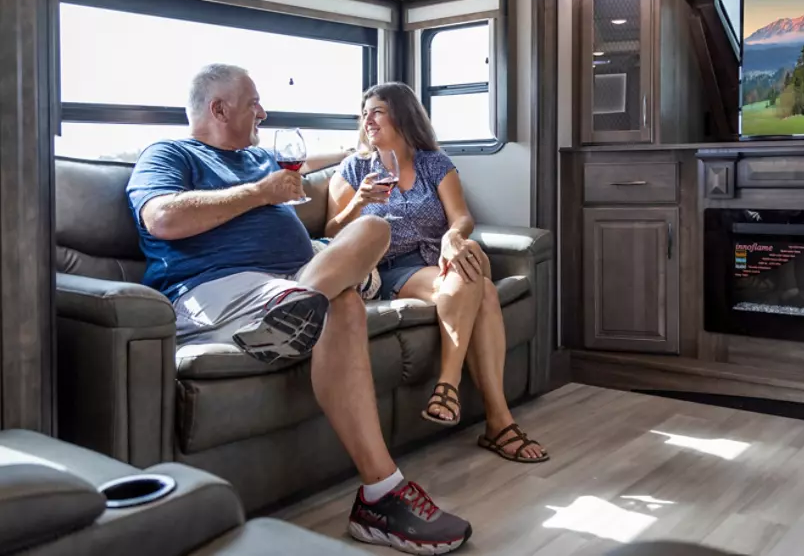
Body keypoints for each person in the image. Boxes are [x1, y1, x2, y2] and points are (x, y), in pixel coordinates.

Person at [125, 64, 471, 554]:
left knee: (374, 232)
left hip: (290, 282)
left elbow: (328, 160)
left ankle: (296, 309)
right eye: (254, 104)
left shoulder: (261, 158)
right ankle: (381, 494)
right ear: (218, 108)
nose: (263, 113)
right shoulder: (170, 154)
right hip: (219, 289)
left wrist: (358, 153)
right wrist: (262, 193)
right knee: (342, 302)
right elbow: (161, 218)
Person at [324, 82, 549, 464]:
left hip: (434, 262)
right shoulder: (355, 168)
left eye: (377, 110)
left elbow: (461, 216)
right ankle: (492, 417)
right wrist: (359, 202)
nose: (368, 119)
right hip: (388, 268)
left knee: (473, 264)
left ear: (401, 114)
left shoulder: (434, 163)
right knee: (485, 289)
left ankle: (455, 390)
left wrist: (452, 238)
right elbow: (331, 232)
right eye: (364, 113)